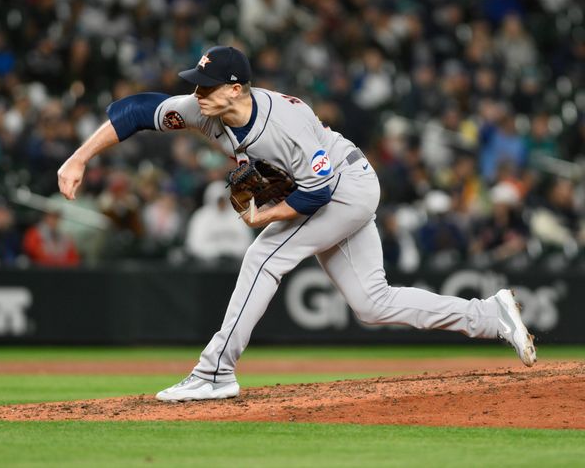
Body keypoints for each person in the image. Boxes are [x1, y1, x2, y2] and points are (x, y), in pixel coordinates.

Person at [57, 45, 536, 403]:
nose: (196, 93)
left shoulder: (283, 125)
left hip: (346, 186)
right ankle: (490, 316)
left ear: (236, 88)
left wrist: (266, 215)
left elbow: (317, 193)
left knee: (264, 255)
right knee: (373, 303)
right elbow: (138, 111)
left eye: (206, 85)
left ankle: (215, 371)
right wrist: (78, 158)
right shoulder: (204, 111)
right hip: (331, 186)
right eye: (195, 83)